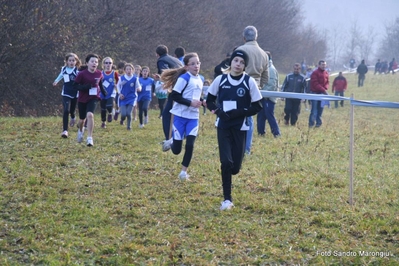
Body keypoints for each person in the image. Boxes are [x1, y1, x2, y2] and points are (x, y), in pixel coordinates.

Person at [206, 50, 262, 210]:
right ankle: (227, 199)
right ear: (230, 63)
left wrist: (240, 112)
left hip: (241, 127)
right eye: (236, 60)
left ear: (245, 66)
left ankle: (230, 177)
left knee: (235, 168)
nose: (238, 64)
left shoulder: (248, 82)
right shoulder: (220, 80)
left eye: (242, 62)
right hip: (223, 126)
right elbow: (209, 100)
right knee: (225, 162)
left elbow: (257, 105)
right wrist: (218, 112)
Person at [161, 53, 204, 181]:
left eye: (198, 63)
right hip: (180, 116)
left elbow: (196, 96)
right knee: (177, 151)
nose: (196, 66)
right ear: (186, 67)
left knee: (190, 144)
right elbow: (175, 96)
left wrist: (203, 101)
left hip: (193, 117)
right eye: (193, 64)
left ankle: (183, 173)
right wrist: (190, 103)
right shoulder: (184, 79)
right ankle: (172, 141)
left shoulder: (200, 79)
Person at [236, 25, 269, 155]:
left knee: (236, 116)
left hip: (238, 86)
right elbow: (266, 77)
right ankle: (247, 149)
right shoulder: (264, 54)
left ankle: (236, 145)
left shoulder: (240, 50)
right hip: (255, 88)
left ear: (244, 37)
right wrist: (258, 87)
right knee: (249, 119)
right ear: (256, 36)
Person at [73, 53, 105, 146]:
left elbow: (100, 83)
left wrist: (104, 91)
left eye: (96, 62)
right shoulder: (82, 74)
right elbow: (75, 86)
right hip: (82, 99)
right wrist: (84, 87)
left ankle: (90, 138)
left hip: (94, 97)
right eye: (92, 61)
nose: (94, 63)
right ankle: (80, 130)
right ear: (87, 63)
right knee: (82, 120)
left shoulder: (99, 73)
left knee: (90, 115)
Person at [154, 44, 183, 141]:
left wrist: (161, 78)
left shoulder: (161, 60)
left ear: (157, 54)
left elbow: (166, 71)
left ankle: (168, 138)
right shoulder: (175, 59)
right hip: (184, 85)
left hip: (177, 88)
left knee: (166, 114)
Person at [53, 52, 81, 138]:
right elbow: (60, 76)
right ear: (67, 61)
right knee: (66, 110)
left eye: (73, 60)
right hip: (65, 93)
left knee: (72, 110)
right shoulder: (64, 69)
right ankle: (65, 130)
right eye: (70, 60)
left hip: (75, 93)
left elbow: (81, 80)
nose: (72, 62)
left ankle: (73, 117)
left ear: (76, 62)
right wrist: (56, 81)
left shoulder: (77, 71)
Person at [257, 51, 280, 137]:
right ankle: (261, 133)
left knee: (269, 115)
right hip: (263, 96)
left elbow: (271, 85)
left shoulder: (271, 69)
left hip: (268, 98)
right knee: (261, 115)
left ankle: (276, 133)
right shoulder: (265, 68)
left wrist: (264, 94)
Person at [117, 63, 141, 130]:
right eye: (127, 69)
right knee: (123, 114)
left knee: (128, 113)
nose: (128, 71)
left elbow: (138, 86)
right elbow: (118, 86)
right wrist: (120, 94)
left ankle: (129, 126)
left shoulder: (135, 78)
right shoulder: (121, 78)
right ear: (125, 70)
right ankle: (122, 119)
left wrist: (139, 88)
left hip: (132, 98)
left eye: (130, 69)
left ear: (132, 70)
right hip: (123, 98)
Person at [308, 60, 329, 128]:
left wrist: (325, 88)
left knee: (320, 109)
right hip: (315, 93)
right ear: (319, 65)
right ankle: (311, 123)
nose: (324, 66)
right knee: (314, 110)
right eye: (322, 64)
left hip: (322, 94)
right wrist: (323, 90)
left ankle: (318, 123)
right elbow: (315, 83)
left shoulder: (326, 73)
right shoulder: (315, 73)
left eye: (325, 64)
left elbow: (327, 82)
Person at [100, 57, 119, 128]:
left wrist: (116, 85)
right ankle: (103, 122)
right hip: (102, 92)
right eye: (106, 63)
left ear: (112, 64)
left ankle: (110, 113)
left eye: (110, 63)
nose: (108, 64)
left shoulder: (114, 73)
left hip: (111, 92)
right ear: (103, 64)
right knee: (103, 109)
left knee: (109, 105)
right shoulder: (101, 73)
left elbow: (118, 82)